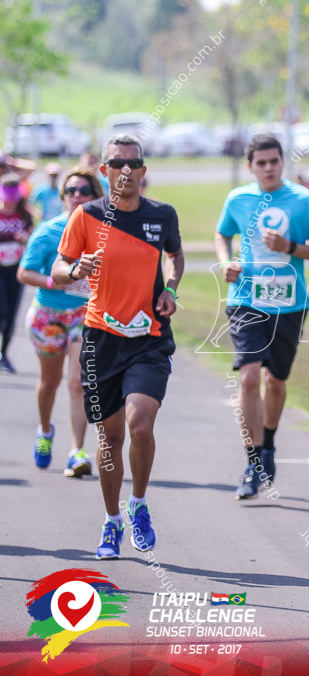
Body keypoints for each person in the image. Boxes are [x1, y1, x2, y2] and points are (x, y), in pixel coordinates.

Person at [51, 134, 184, 559]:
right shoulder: (86, 216)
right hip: (101, 339)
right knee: (108, 438)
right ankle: (111, 522)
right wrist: (74, 269)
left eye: (133, 163)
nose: (126, 170)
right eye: (117, 163)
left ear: (143, 171)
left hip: (148, 336)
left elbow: (175, 257)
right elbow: (56, 270)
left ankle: (138, 505)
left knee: (140, 424)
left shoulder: (162, 215)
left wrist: (172, 288)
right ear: (104, 170)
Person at [214, 134, 309, 501]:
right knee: (249, 376)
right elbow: (222, 233)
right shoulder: (238, 198)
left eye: (273, 161)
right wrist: (226, 261)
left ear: (282, 162)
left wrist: (290, 248)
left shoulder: (303, 200)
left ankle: (269, 447)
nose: (267, 168)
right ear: (251, 166)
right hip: (246, 299)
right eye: (260, 163)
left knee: (275, 382)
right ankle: (252, 461)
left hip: (290, 303)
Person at [17, 168, 102, 474]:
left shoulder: (103, 233)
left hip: (85, 314)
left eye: (83, 191)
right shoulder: (49, 231)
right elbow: (24, 273)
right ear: (63, 196)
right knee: (49, 382)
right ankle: (44, 430)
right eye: (71, 191)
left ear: (95, 196)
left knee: (79, 382)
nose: (77, 196)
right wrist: (55, 281)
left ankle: (77, 451)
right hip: (49, 315)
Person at [0, 173, 34, 373]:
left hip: (16, 268)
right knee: (2, 310)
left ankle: (4, 354)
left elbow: (32, 234)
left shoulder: (24, 214)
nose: (10, 202)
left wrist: (26, 236)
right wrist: (12, 235)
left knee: (12, 315)